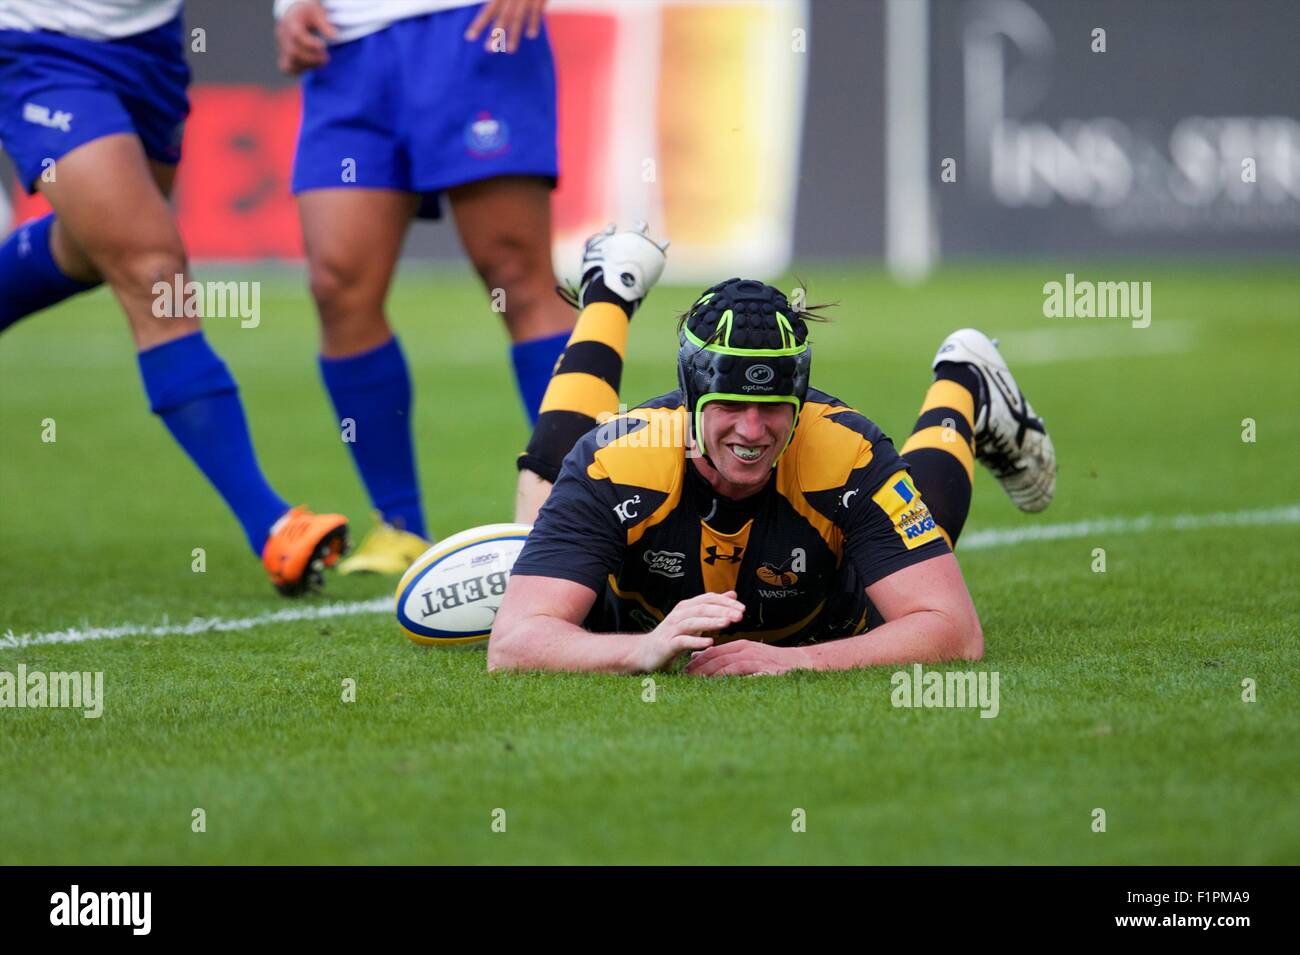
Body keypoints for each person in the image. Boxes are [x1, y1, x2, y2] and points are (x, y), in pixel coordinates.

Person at [489, 226, 1056, 674]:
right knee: (531, 520)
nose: (754, 431)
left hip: (825, 618)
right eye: (731, 405)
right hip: (636, 604)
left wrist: (798, 661)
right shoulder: (619, 460)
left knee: (916, 545)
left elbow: (956, 633)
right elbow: (512, 644)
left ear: (801, 398)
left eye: (775, 407)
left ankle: (962, 380)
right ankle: (609, 293)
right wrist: (642, 649)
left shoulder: (847, 451)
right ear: (691, 395)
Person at [0, 0, 348, 595]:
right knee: (151, 266)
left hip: (149, 45)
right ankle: (271, 525)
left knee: (92, 249)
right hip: (39, 43)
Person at [274, 0, 573, 574]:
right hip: (346, 41)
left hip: (472, 24)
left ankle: (595, 507)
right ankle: (399, 527)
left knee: (515, 273)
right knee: (338, 286)